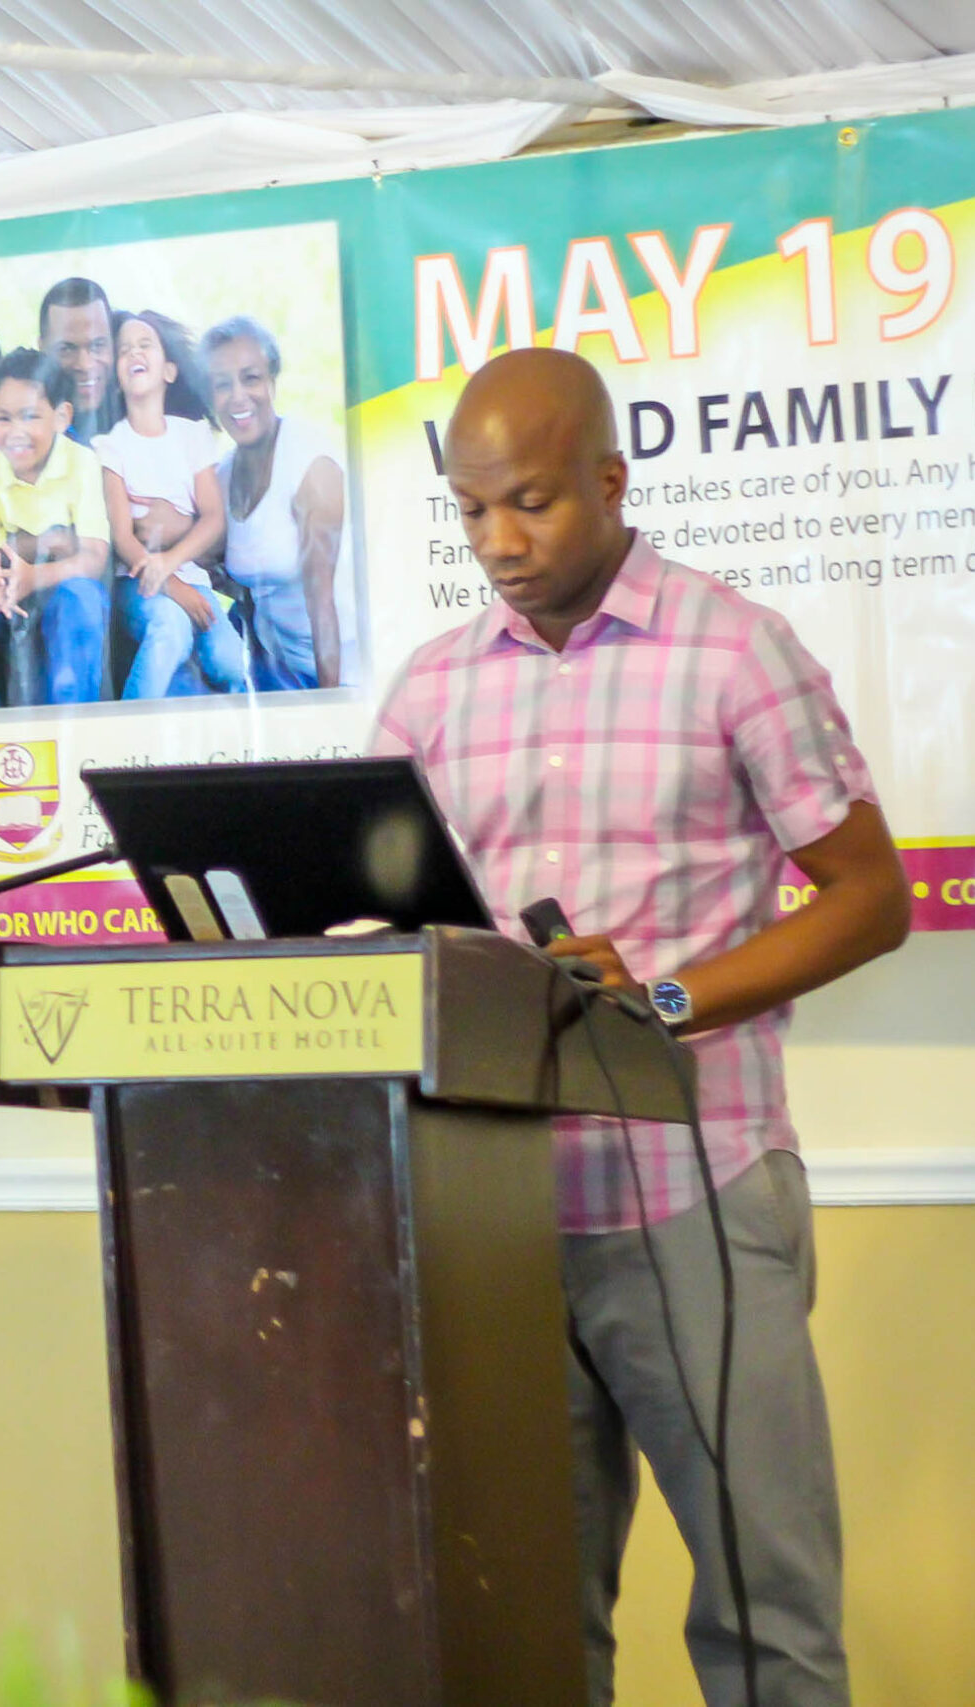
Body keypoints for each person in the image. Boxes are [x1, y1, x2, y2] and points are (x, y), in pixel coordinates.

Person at [372, 346, 911, 1707]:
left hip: (694, 1188)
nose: (499, 543)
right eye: (471, 511)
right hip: (488, 1211)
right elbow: (384, 922)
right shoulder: (429, 690)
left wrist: (660, 1002)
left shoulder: (736, 651)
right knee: (529, 1632)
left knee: (766, 1620)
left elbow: (871, 898)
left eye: (532, 503)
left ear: (612, 481)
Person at [0, 347, 113, 707]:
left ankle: (71, 716)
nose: (16, 432)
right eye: (4, 419)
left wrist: (34, 576)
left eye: (30, 416)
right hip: (6, 591)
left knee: (82, 599)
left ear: (61, 417)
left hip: (60, 585)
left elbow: (93, 557)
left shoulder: (82, 463)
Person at [91, 309, 245, 699]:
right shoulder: (111, 446)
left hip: (190, 577)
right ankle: (132, 728)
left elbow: (213, 518)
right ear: (117, 376)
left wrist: (172, 565)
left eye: (145, 345)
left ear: (169, 371)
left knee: (229, 662)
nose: (134, 353)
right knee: (170, 630)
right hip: (135, 582)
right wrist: (170, 584)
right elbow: (123, 538)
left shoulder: (192, 437)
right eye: (124, 349)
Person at [203, 315, 351, 690]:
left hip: (345, 672)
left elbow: (323, 603)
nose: (238, 396)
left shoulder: (310, 465)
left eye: (250, 378)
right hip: (277, 666)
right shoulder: (222, 476)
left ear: (272, 380)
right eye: (223, 385)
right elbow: (218, 568)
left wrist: (331, 708)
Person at [0, 277, 118, 472]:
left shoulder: (132, 403)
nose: (85, 364)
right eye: (66, 349)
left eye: (98, 345)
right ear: (42, 348)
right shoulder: (7, 413)